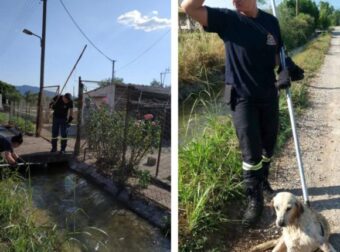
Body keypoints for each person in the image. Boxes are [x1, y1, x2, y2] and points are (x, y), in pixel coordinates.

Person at [181, 0, 303, 227]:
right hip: (242, 97)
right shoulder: (228, 19)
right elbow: (189, 8)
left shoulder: (271, 22)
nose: (234, 1)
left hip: (268, 93)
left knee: (269, 145)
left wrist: (285, 68)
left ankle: (263, 182)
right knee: (251, 152)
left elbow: (277, 53)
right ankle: (254, 198)